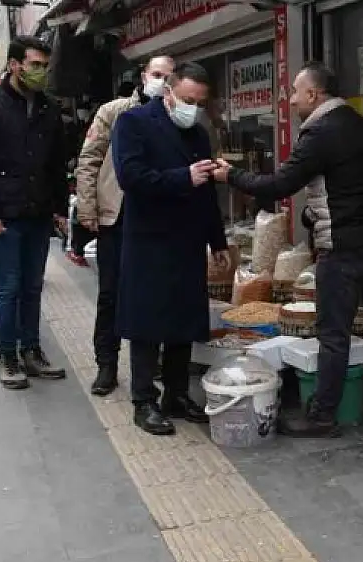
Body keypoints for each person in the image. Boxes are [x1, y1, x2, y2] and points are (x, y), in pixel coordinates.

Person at [214, 61, 363, 438]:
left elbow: (278, 184)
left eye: (295, 92)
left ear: (314, 94)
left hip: (345, 250)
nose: (290, 100)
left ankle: (322, 414)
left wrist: (232, 175)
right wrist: (312, 214)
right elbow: (353, 186)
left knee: (332, 333)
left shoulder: (320, 132)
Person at [111, 61, 230, 436]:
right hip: (149, 240)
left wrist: (218, 240)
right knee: (147, 323)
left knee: (182, 322)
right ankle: (143, 399)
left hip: (188, 240)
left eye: (198, 102)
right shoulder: (133, 124)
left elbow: (207, 190)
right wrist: (183, 176)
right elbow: (130, 176)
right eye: (186, 99)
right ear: (168, 92)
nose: (192, 107)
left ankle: (176, 394)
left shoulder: (197, 133)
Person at [0, 36, 70, 389]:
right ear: (15, 65)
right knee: (8, 287)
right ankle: (7, 355)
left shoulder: (49, 107)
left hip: (39, 213)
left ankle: (32, 350)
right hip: (4, 215)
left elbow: (57, 163)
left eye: (45, 65)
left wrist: (59, 208)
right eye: (35, 64)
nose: (41, 71)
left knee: (33, 287)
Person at [75, 55, 175, 396]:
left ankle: (151, 362)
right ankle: (107, 364)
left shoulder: (176, 114)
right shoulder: (115, 111)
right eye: (156, 74)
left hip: (156, 219)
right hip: (116, 216)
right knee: (111, 294)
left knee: (154, 292)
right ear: (143, 76)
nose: (162, 81)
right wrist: (87, 208)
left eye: (168, 76)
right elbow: (89, 159)